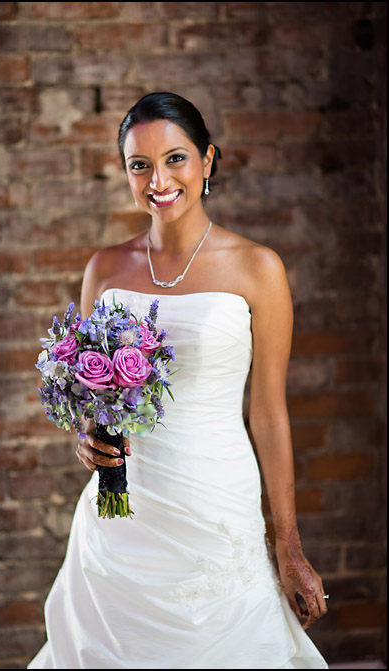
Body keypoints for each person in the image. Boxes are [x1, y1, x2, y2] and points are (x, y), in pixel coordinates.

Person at [28, 93, 328, 668]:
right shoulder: (105, 269)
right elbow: (98, 402)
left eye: (176, 159)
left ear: (208, 161)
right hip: (122, 514)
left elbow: (268, 414)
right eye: (140, 165)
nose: (158, 180)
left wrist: (287, 546)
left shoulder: (258, 268)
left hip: (215, 498)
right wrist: (88, 437)